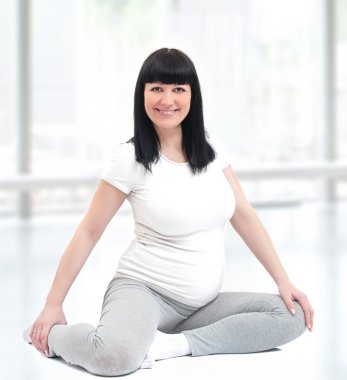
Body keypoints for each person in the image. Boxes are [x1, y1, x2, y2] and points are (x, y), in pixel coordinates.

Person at [23, 47, 314, 376]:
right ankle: (54, 336)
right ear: (142, 94)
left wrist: (283, 280)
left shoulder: (211, 147)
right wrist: (53, 304)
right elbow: (89, 232)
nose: (167, 100)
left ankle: (174, 345)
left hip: (202, 304)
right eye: (157, 88)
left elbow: (243, 214)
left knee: (292, 315)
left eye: (178, 89)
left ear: (192, 95)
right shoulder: (130, 158)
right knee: (114, 358)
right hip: (144, 291)